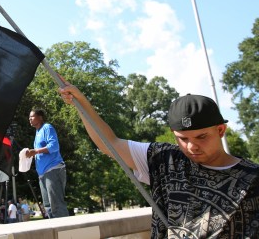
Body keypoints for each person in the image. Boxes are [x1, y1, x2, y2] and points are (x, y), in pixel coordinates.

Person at [59, 83, 259, 238]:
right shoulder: (164, 159)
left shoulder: (253, 178)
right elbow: (109, 143)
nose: (191, 146)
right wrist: (81, 102)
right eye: (183, 138)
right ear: (173, 135)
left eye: (201, 137)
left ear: (220, 130)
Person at [25, 109, 68, 218]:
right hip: (42, 174)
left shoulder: (47, 128)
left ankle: (65, 231)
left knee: (56, 205)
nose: (29, 119)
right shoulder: (37, 132)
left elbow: (54, 146)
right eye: (29, 117)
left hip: (53, 169)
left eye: (32, 116)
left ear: (40, 117)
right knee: (48, 206)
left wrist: (36, 151)